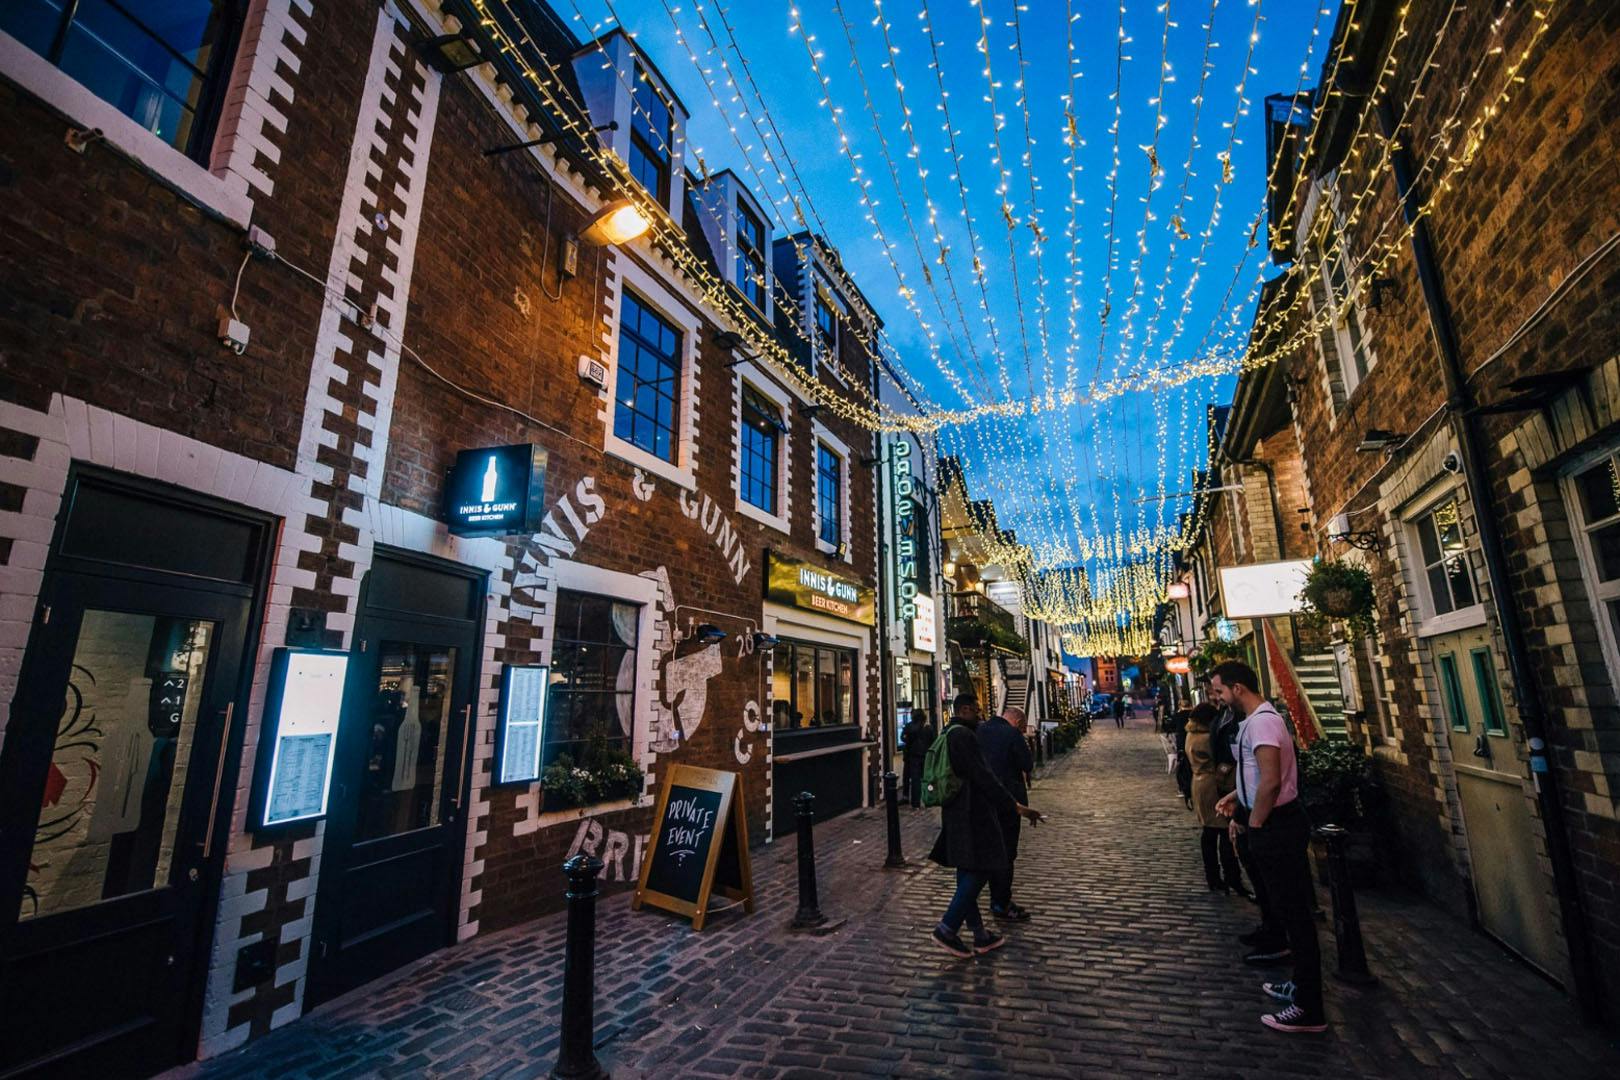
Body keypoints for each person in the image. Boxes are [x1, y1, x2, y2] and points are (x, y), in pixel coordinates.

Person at [1210, 661, 1325, 1034]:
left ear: (1238, 688)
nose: (1218, 698)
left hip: (1276, 826)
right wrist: (1236, 796)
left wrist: (1254, 821)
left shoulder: (1260, 723)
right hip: (1273, 821)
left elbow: (1272, 780)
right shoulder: (1262, 720)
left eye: (1220, 691)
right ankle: (1301, 986)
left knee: (1295, 915)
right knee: (1288, 910)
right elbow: (1258, 775)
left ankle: (1309, 1007)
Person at [929, 692, 1043, 958]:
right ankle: (947, 928)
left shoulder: (949, 732)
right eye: (977, 709)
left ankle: (980, 934)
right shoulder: (965, 736)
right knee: (985, 867)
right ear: (966, 709)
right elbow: (983, 777)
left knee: (966, 870)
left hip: (955, 812)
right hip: (973, 813)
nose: (981, 714)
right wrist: (1015, 806)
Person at [975, 705, 1035, 920]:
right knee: (1007, 852)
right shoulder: (1012, 734)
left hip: (983, 800)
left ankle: (993, 897)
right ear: (1018, 722)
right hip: (1009, 801)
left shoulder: (978, 730)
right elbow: (1027, 764)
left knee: (989, 849)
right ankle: (1001, 901)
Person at [1185, 702, 1248, 896]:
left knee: (1209, 832)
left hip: (1198, 784)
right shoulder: (1206, 737)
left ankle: (1212, 876)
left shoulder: (1190, 734)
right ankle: (1232, 877)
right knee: (1223, 832)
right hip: (1213, 785)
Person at [901, 707, 937, 808]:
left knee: (915, 780)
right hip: (926, 756)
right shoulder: (928, 727)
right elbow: (933, 741)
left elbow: (902, 737)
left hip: (913, 756)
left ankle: (915, 802)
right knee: (927, 779)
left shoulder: (909, 727)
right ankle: (929, 799)